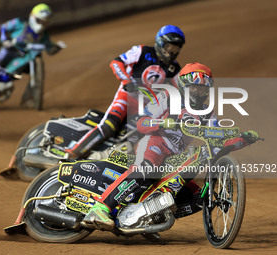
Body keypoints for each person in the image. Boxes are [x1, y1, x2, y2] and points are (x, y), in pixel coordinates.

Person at [82, 62, 260, 230]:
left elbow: (219, 141)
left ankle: (150, 218)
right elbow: (141, 123)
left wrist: (243, 139)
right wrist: (163, 123)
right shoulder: (167, 97)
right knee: (146, 168)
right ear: (184, 86)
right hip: (155, 143)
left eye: (202, 88)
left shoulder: (207, 113)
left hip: (176, 156)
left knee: (199, 197)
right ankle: (100, 208)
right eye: (194, 88)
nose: (198, 92)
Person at [65, 25, 185, 159]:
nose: (172, 52)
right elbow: (117, 62)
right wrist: (126, 79)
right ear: (160, 42)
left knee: (133, 138)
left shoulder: (175, 68)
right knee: (108, 126)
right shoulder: (143, 51)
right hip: (127, 96)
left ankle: (104, 162)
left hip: (145, 107)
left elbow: (176, 92)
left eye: (176, 49)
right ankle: (71, 153)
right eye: (169, 47)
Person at [0, 3, 63, 107]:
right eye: (40, 21)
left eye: (45, 23)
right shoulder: (20, 22)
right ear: (33, 17)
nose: (42, 25)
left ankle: (30, 98)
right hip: (11, 51)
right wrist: (4, 40)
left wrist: (57, 47)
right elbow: (1, 28)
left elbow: (49, 49)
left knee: (38, 70)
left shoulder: (43, 34)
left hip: (26, 58)